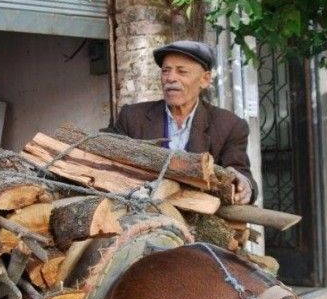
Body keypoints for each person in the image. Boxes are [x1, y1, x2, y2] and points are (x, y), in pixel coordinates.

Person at [107, 40, 257, 204]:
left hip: (200, 219)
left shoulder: (230, 125)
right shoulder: (133, 117)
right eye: (166, 71)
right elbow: (105, 157)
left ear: (205, 79)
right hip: (141, 215)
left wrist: (244, 184)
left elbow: (239, 172)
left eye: (181, 71)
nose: (170, 78)